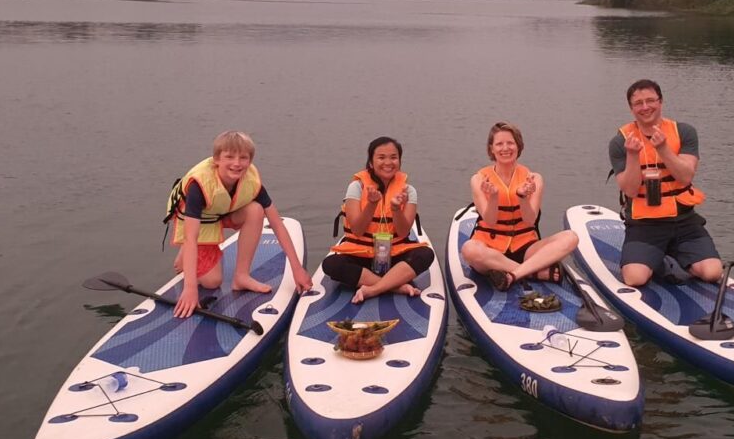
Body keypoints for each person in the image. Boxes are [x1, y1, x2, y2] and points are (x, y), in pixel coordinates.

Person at [165, 131, 312, 318]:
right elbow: (190, 237)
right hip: (199, 222)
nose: (237, 163)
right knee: (212, 282)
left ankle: (241, 276)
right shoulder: (199, 185)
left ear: (250, 161)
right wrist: (190, 288)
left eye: (243, 158)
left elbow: (277, 224)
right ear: (217, 159)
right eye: (229, 157)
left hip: (223, 210)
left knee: (256, 209)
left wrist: (297, 269)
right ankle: (184, 256)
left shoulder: (251, 181)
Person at [608, 79, 723, 287]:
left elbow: (685, 177)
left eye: (650, 100)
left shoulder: (685, 132)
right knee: (635, 278)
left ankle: (674, 253)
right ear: (631, 108)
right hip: (645, 224)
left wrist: (663, 149)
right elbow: (631, 190)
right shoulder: (620, 142)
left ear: (661, 102)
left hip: (684, 220)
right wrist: (633, 156)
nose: (645, 107)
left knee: (712, 273)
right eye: (638, 103)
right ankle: (657, 258)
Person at [461, 121, 578, 290]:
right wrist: (493, 196)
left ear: (518, 146)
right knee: (469, 250)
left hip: (526, 249)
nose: (505, 148)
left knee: (571, 237)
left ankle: (512, 275)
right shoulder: (478, 180)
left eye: (510, 143)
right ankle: (535, 273)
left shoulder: (534, 179)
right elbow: (490, 220)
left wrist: (523, 197)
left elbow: (530, 221)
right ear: (491, 149)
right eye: (499, 144)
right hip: (490, 249)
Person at [322, 137, 435, 304]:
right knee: (331, 264)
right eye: (381, 157)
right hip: (362, 256)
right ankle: (395, 286)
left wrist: (396, 209)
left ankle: (373, 289)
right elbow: (357, 230)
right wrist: (372, 204)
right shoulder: (357, 187)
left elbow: (403, 232)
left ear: (400, 161)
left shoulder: (409, 191)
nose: (388, 162)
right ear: (371, 162)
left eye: (393, 157)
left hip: (393, 255)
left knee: (425, 254)